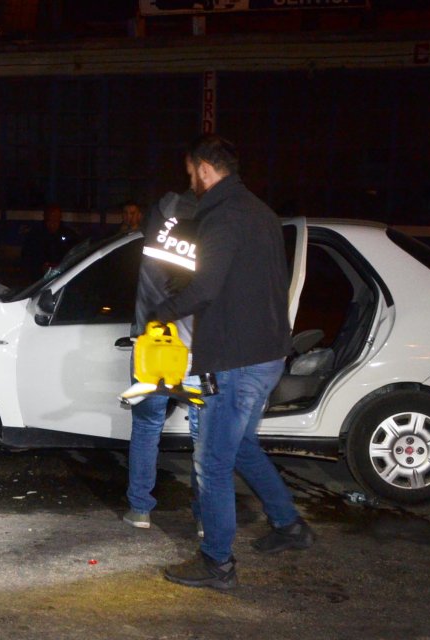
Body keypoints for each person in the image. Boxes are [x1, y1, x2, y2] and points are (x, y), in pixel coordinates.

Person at [146, 134, 313, 591]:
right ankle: (289, 525)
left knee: (213, 462)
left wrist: (158, 314)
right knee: (240, 447)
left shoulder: (221, 217)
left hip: (236, 359)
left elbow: (205, 288)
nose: (191, 182)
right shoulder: (261, 212)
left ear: (202, 168)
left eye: (190, 174)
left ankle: (217, 563)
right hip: (267, 353)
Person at [123, 191, 201, 531]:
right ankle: (205, 518)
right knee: (205, 438)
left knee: (146, 428)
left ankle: (140, 509)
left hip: (152, 348)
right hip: (197, 352)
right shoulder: (215, 228)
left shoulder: (158, 219)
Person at [21, 204, 82, 280]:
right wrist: (40, 266)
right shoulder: (35, 235)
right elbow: (27, 256)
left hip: (63, 275)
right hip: (40, 278)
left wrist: (62, 265)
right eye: (50, 219)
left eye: (56, 220)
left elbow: (76, 254)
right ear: (45, 218)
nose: (53, 224)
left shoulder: (68, 234)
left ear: (60, 218)